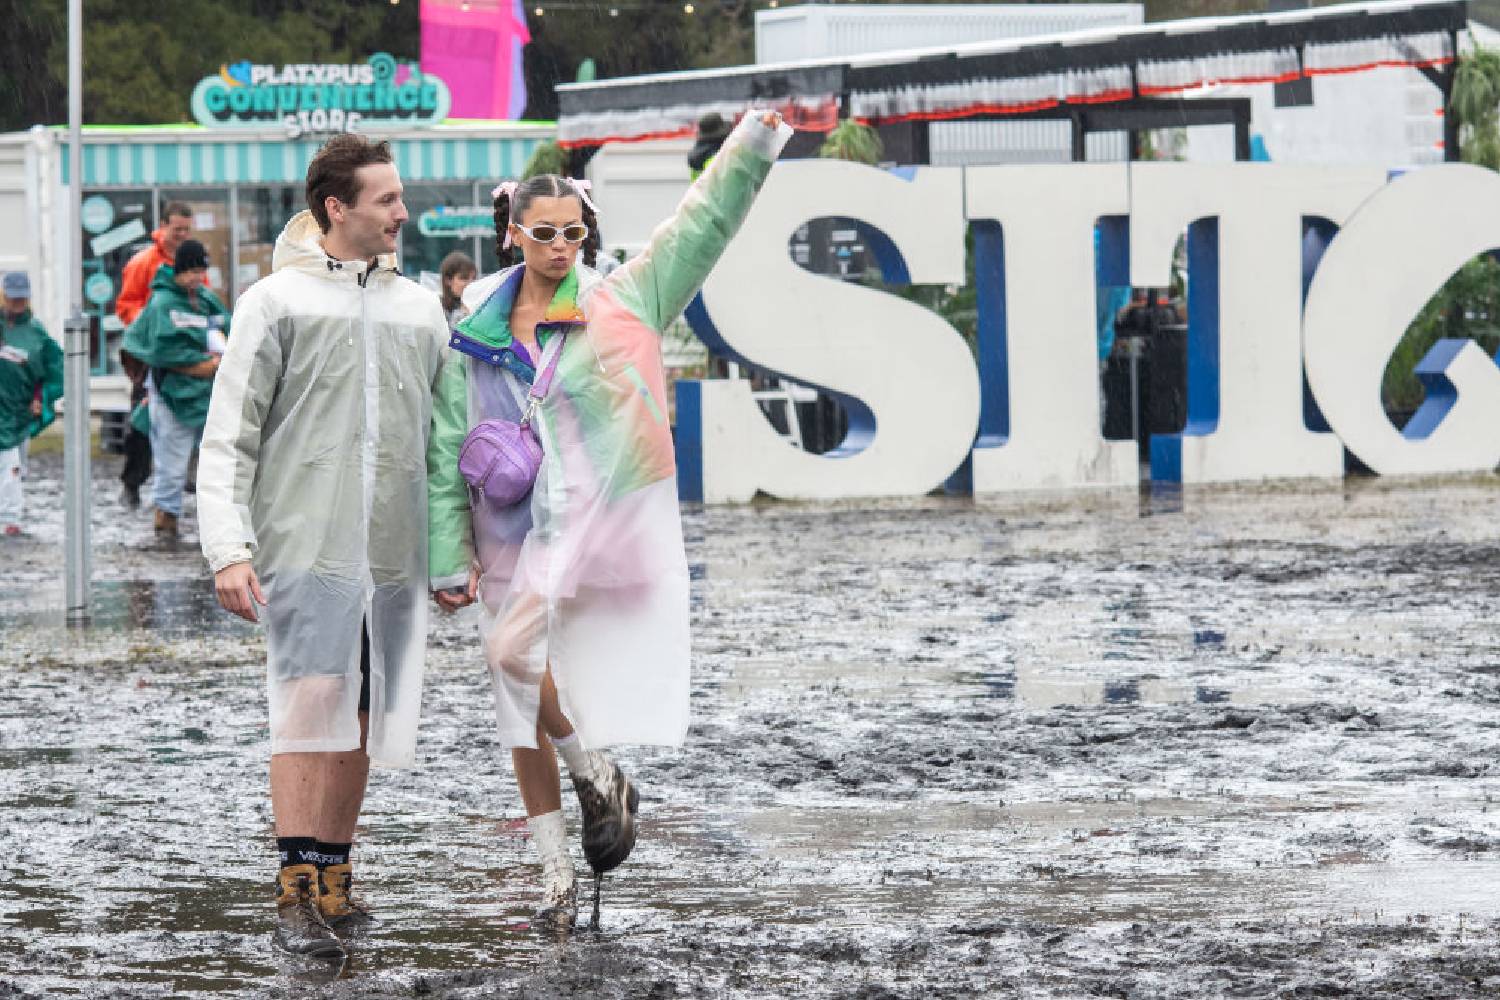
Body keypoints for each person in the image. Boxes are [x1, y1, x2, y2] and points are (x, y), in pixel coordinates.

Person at [427, 109, 791, 928]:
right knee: (513, 691)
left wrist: (753, 146)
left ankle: (594, 770)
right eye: (545, 233)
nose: (562, 247)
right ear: (514, 232)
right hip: (508, 532)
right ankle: (556, 866)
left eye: (575, 233)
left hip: (595, 531)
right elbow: (449, 441)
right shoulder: (475, 325)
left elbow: (699, 226)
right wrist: (447, 553)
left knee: (512, 660)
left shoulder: (624, 298)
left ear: (588, 232)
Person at [197, 134, 453, 962]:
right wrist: (227, 547)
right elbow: (228, 435)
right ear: (336, 207)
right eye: (386, 199)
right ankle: (295, 881)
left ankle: (336, 871)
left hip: (394, 556)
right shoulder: (274, 302)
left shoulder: (421, 308)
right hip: (302, 542)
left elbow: (447, 442)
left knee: (368, 717)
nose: (402, 212)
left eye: (400, 196)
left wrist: (454, 551)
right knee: (308, 706)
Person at [121, 239, 228, 539]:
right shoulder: (162, 303)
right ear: (179, 270)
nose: (196, 277)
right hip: (172, 397)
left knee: (217, 462)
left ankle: (218, 526)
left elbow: (227, 327)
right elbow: (161, 350)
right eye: (191, 271)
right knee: (172, 463)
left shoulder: (205, 298)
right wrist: (201, 366)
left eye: (201, 271)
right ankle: (165, 522)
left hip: (206, 398)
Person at [117, 203, 192, 509]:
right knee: (142, 419)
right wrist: (154, 325)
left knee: (189, 411)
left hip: (184, 353)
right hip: (150, 354)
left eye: (187, 230)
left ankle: (179, 476)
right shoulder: (143, 263)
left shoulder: (190, 260)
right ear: (162, 227)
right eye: (177, 230)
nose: (182, 235)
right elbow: (125, 306)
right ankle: (132, 483)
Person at [0, 272, 63, 537]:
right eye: (12, 298)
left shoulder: (36, 332)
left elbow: (52, 370)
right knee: (9, 463)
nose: (17, 303)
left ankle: (10, 516)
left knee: (15, 465)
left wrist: (41, 398)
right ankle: (10, 516)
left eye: (21, 298)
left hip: (18, 412)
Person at [439, 250, 477, 327]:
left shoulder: (479, 307)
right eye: (464, 278)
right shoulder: (437, 308)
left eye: (473, 278)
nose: (471, 283)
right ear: (448, 280)